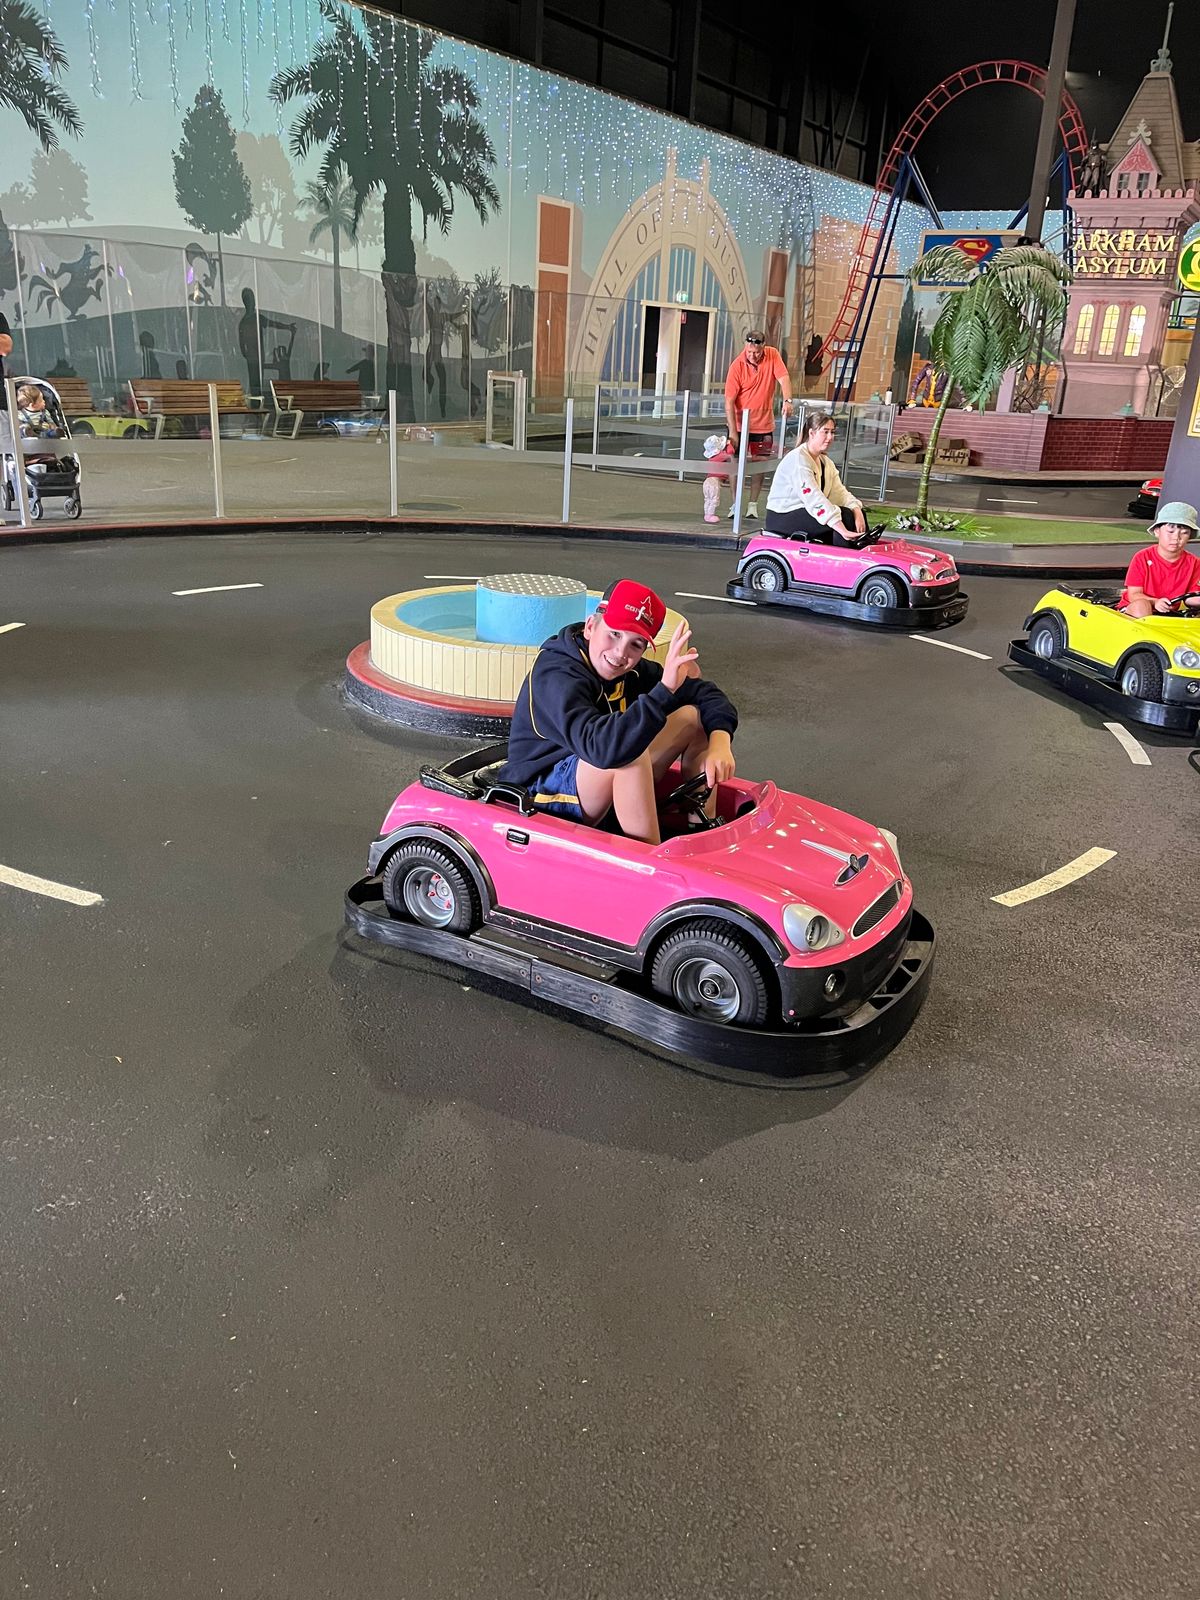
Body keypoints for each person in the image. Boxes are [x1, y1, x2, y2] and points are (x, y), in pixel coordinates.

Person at [499, 580, 738, 846]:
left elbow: (706, 694)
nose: (620, 653)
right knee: (628, 757)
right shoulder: (556, 673)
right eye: (614, 634)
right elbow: (605, 752)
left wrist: (720, 742)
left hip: (595, 767)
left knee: (693, 717)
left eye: (636, 644)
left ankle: (700, 832)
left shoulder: (630, 671)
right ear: (591, 626)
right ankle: (651, 859)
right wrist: (665, 690)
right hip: (539, 789)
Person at [763, 409, 868, 545]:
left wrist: (857, 510)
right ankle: (844, 555)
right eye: (825, 432)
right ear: (811, 433)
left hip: (804, 510)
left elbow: (840, 493)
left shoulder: (825, 462)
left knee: (853, 514)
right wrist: (842, 529)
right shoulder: (798, 459)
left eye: (832, 432)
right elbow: (813, 498)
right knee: (844, 517)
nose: (830, 437)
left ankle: (860, 547)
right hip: (782, 516)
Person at [723, 329, 793, 521]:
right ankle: (736, 503)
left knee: (760, 463)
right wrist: (733, 432)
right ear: (745, 347)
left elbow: (784, 378)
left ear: (763, 348)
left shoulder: (772, 354)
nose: (752, 356)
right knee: (735, 464)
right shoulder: (737, 366)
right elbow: (729, 402)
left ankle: (752, 504)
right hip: (739, 424)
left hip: (763, 425)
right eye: (749, 352)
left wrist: (788, 400)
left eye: (756, 352)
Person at [1119, 502, 1200, 616]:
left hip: (1169, 613)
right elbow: (1134, 594)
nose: (1176, 538)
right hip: (1134, 608)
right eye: (1170, 532)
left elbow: (1191, 597)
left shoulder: (1194, 563)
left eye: (1184, 533)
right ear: (1157, 531)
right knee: (1142, 605)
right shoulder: (1142, 557)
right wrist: (1155, 601)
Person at [701, 432, 736, 523]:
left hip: (707, 481)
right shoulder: (720, 456)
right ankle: (710, 515)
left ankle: (707, 514)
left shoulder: (712, 457)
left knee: (708, 499)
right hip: (714, 482)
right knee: (713, 499)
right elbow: (731, 454)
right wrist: (729, 445)